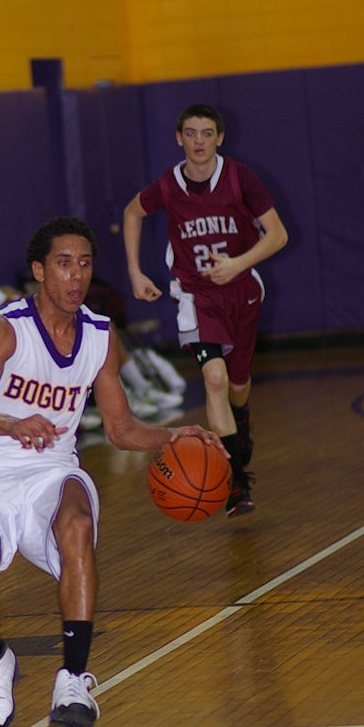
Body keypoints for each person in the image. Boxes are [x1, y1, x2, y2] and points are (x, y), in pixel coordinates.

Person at [0, 215, 223, 727]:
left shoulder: (99, 335)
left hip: (53, 467)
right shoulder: (7, 328)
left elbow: (120, 428)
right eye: (64, 264)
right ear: (39, 271)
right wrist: (13, 423)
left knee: (77, 525)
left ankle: (73, 677)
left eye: (85, 264)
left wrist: (174, 434)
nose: (76, 276)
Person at [123, 103, 289, 516]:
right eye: (191, 133)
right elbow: (132, 212)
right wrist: (135, 272)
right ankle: (236, 484)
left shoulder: (240, 178)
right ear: (179, 138)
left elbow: (278, 235)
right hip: (195, 295)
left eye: (207, 133)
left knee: (237, 384)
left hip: (241, 291)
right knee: (214, 379)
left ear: (220, 138)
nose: (199, 141)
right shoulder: (168, 185)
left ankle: (241, 416)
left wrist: (238, 263)